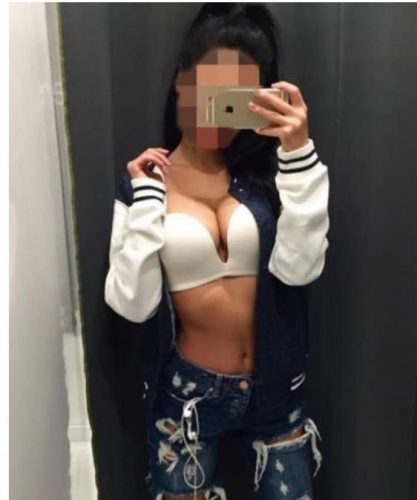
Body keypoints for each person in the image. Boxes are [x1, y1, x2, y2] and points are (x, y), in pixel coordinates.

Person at [104, 4, 330, 499]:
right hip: (188, 396)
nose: (218, 106)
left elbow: (300, 269)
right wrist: (147, 199)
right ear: (181, 81)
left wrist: (297, 152)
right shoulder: (144, 182)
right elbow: (132, 304)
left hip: (275, 388)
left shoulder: (270, 177)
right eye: (210, 85)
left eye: (237, 95)